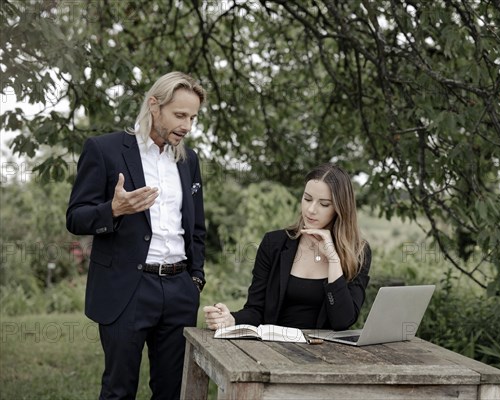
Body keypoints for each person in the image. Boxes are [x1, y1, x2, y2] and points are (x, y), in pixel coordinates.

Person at [66, 71, 207, 399]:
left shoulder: (190, 160)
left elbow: (196, 225)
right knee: (119, 390)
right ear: (154, 106)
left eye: (193, 117)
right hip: (126, 289)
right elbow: (75, 217)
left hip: (179, 291)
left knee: (172, 391)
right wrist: (113, 210)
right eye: (180, 115)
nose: (187, 126)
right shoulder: (104, 150)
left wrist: (195, 278)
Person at [204, 163, 371, 331]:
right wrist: (231, 319)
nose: (311, 209)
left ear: (341, 208)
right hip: (275, 349)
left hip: (325, 352)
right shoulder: (274, 243)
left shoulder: (358, 252)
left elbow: (343, 321)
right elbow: (256, 310)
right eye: (307, 199)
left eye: (324, 204)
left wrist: (333, 259)